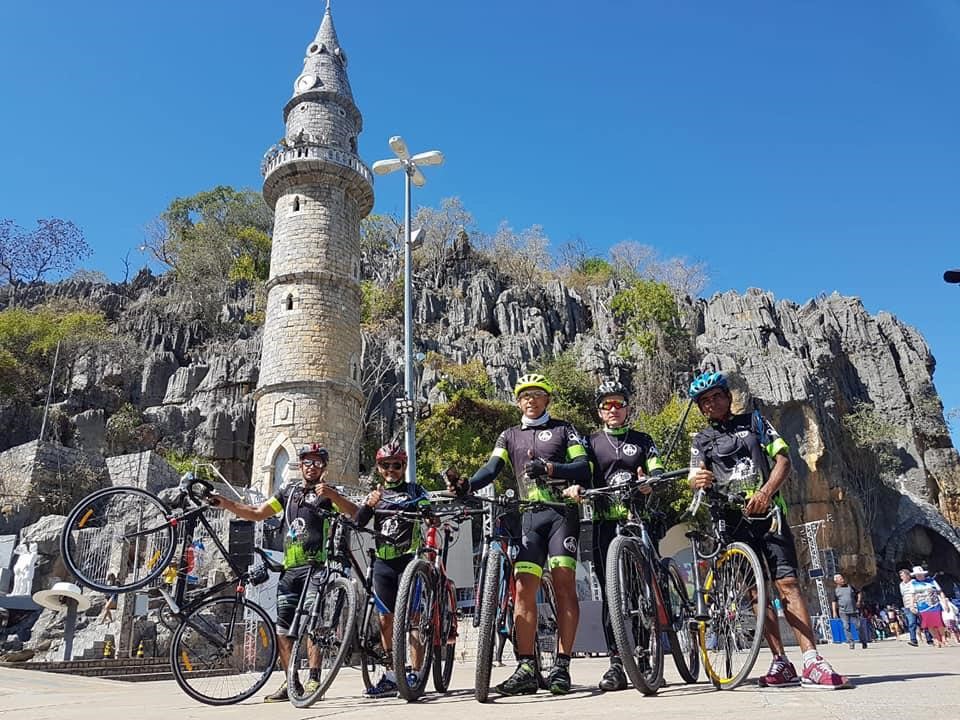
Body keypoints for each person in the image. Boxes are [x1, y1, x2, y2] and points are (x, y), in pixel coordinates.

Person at [686, 370, 849, 690]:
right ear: (701, 407)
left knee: (787, 582)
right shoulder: (701, 439)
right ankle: (780, 662)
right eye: (704, 401)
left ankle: (812, 660)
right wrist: (698, 480)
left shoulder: (755, 422)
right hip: (731, 519)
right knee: (755, 592)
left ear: (728, 397)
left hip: (768, 512)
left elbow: (783, 460)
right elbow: (694, 475)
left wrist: (765, 493)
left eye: (717, 396)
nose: (712, 403)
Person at [448, 373, 590, 696]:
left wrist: (551, 469)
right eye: (525, 395)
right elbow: (491, 468)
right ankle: (526, 666)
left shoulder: (563, 429)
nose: (531, 399)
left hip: (560, 515)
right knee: (524, 589)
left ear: (547, 400)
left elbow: (583, 468)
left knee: (565, 582)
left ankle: (562, 666)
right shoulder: (509, 435)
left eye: (537, 394)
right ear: (518, 402)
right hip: (529, 517)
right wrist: (467, 484)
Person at [209, 444, 359, 703]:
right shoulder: (288, 491)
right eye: (306, 462)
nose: (311, 466)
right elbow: (257, 513)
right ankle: (292, 681)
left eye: (316, 462)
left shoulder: (328, 493)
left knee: (313, 625)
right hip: (290, 570)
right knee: (283, 630)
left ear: (324, 467)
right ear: (299, 466)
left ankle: (314, 679)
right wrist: (224, 503)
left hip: (316, 568)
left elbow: (355, 514)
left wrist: (333, 496)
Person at [575, 379, 664, 691]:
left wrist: (651, 480)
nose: (613, 409)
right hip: (602, 523)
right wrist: (575, 486)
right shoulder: (590, 442)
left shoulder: (642, 439)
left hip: (638, 519)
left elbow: (656, 466)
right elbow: (581, 470)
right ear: (599, 411)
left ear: (627, 407)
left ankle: (643, 658)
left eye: (618, 404)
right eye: (606, 405)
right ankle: (616, 663)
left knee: (642, 592)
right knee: (612, 596)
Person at [354, 442, 433, 699]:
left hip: (409, 560)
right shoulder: (376, 493)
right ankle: (390, 675)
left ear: (404, 466)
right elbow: (358, 522)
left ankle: (415, 672)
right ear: (378, 468)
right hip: (383, 563)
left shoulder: (414, 489)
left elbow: (430, 511)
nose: (391, 470)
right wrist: (369, 505)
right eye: (385, 466)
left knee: (413, 620)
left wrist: (425, 509)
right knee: (386, 621)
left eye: (396, 465)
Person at [908, 566, 946, 647]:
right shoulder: (913, 583)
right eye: (917, 575)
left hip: (934, 604)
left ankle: (943, 638)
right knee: (929, 624)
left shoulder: (931, 581)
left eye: (921, 574)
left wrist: (944, 602)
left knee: (938, 622)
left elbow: (940, 592)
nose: (919, 576)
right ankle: (936, 639)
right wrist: (912, 606)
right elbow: (912, 595)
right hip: (922, 606)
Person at [831, 574, 866, 649]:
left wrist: (859, 601)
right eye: (840, 579)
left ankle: (863, 641)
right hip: (843, 612)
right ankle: (851, 642)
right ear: (836, 581)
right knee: (846, 627)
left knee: (858, 626)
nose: (842, 580)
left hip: (853, 610)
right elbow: (834, 601)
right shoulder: (836, 590)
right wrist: (834, 612)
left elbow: (859, 593)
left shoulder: (850, 586)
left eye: (842, 578)